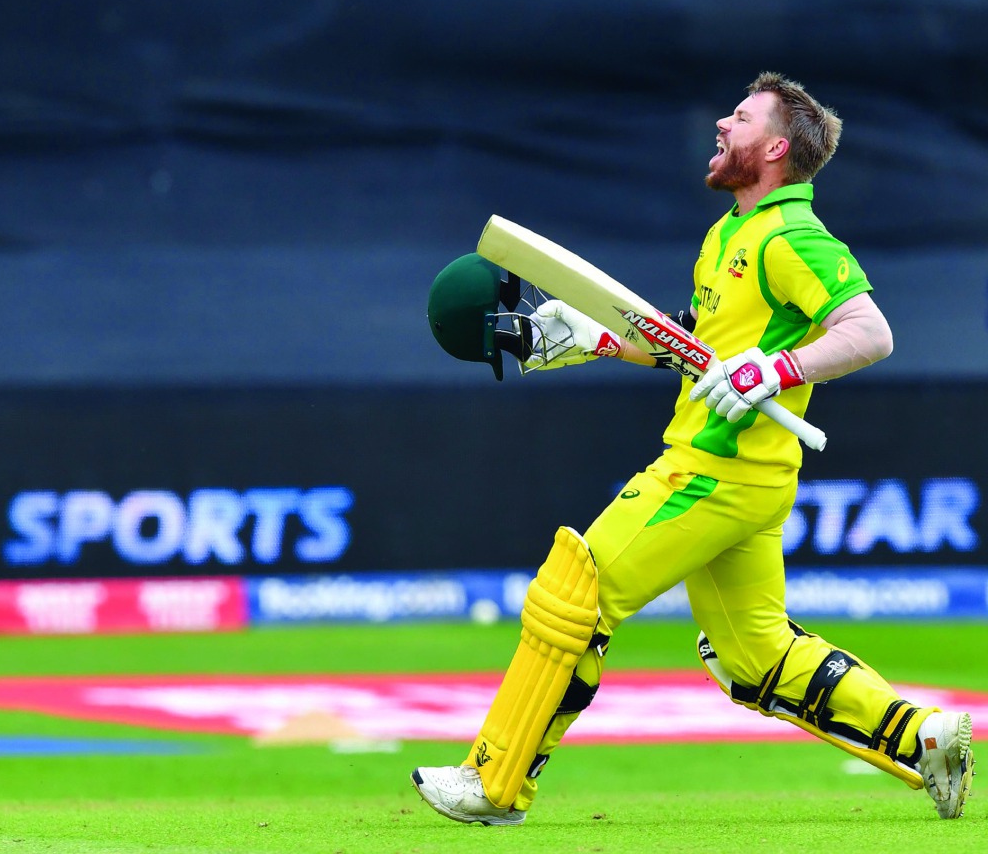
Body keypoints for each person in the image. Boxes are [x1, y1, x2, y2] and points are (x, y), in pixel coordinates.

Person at [416, 72, 974, 824]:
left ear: (775, 147)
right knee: (758, 660)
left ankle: (493, 782)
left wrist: (778, 367)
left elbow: (869, 332)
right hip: (750, 480)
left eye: (739, 118)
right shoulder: (728, 237)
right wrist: (594, 338)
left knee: (574, 593)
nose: (720, 123)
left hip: (713, 470)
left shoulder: (792, 237)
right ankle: (924, 737)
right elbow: (696, 345)